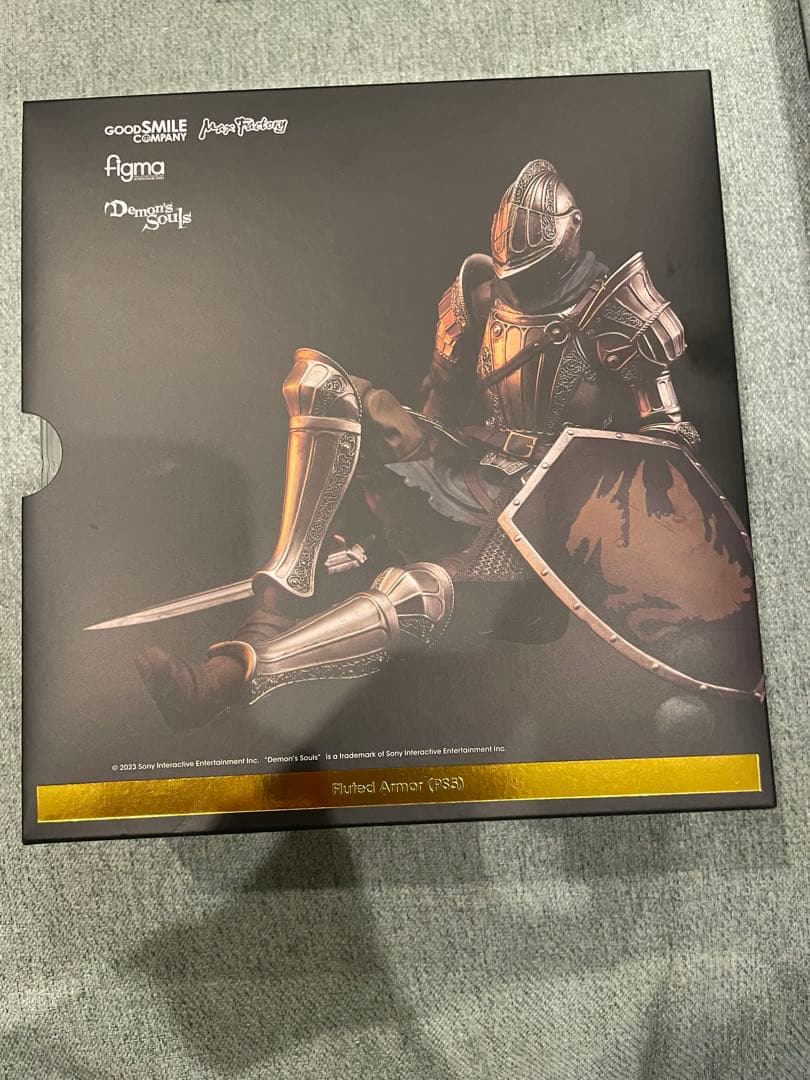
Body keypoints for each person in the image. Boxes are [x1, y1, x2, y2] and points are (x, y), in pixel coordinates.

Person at [135, 159, 697, 727]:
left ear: (571, 233)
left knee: (414, 591)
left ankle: (226, 680)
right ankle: (276, 606)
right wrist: (397, 464)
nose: (520, 286)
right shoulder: (482, 297)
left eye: (532, 270)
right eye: (514, 272)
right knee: (322, 387)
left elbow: (666, 446)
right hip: (473, 464)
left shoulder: (623, 312)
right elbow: (441, 400)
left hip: (549, 511)